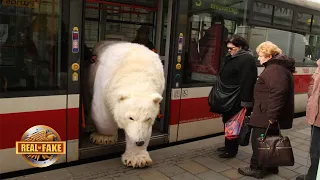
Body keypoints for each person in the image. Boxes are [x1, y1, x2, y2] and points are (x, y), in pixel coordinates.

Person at [238, 41, 295, 178]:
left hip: (266, 114)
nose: (258, 58)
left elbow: (278, 92)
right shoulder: (277, 68)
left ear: (269, 55)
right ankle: (271, 167)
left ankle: (256, 168)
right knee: (271, 140)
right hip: (267, 112)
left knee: (259, 141)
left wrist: (272, 115)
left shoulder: (274, 69)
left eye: (260, 55)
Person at [211, 34, 257, 158]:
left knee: (233, 123)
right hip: (228, 96)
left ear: (240, 47)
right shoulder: (232, 57)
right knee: (227, 121)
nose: (229, 51)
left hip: (236, 98)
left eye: (232, 48)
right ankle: (227, 145)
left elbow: (248, 81)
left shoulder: (247, 59)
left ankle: (231, 150)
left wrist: (246, 102)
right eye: (228, 48)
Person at [296, 60, 320, 180]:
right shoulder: (319, 66)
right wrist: (311, 98)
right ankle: (312, 174)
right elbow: (312, 84)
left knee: (316, 149)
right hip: (316, 115)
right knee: (314, 149)